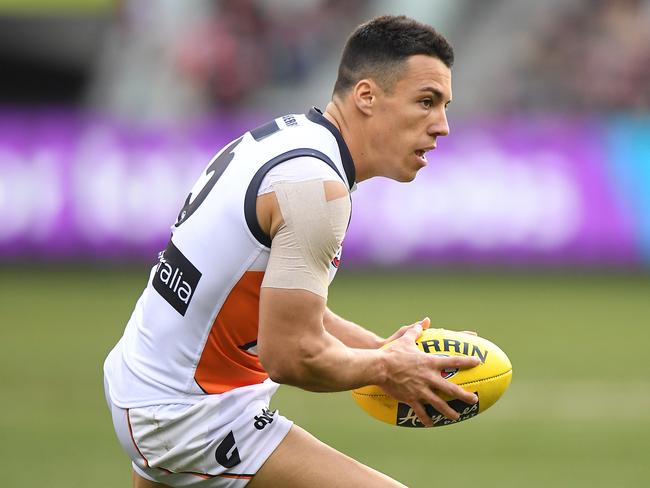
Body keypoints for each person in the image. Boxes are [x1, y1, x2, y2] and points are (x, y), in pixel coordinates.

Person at [103, 14, 481, 488]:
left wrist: (385, 351)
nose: (442, 126)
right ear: (366, 96)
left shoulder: (295, 140)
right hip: (188, 415)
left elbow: (283, 308)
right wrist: (387, 366)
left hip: (150, 385)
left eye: (444, 105)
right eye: (426, 102)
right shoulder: (315, 189)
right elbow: (292, 354)